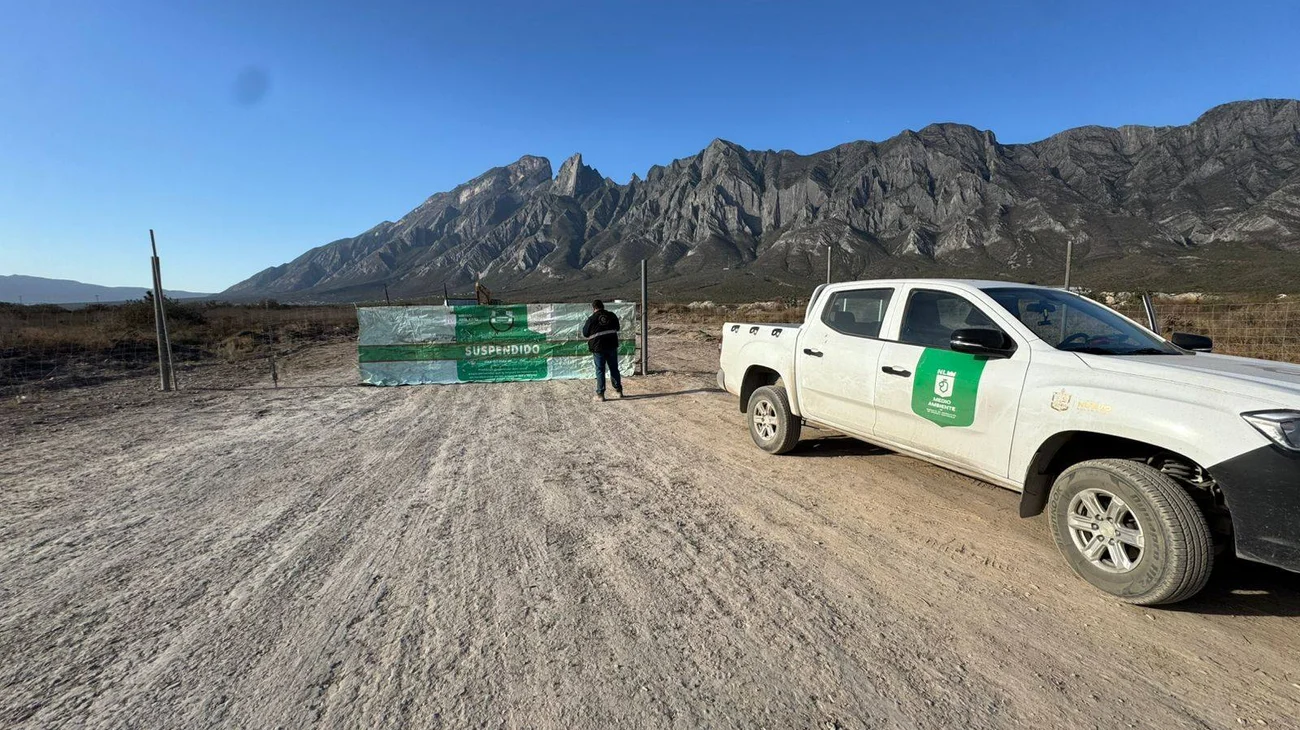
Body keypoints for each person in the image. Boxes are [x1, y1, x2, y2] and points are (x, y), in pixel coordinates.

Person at [582, 299, 623, 402]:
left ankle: (600, 394)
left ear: (594, 308)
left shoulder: (591, 319)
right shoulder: (612, 315)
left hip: (598, 347)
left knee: (600, 370)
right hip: (612, 345)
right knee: (614, 368)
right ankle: (618, 391)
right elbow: (617, 328)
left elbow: (585, 333)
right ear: (603, 306)